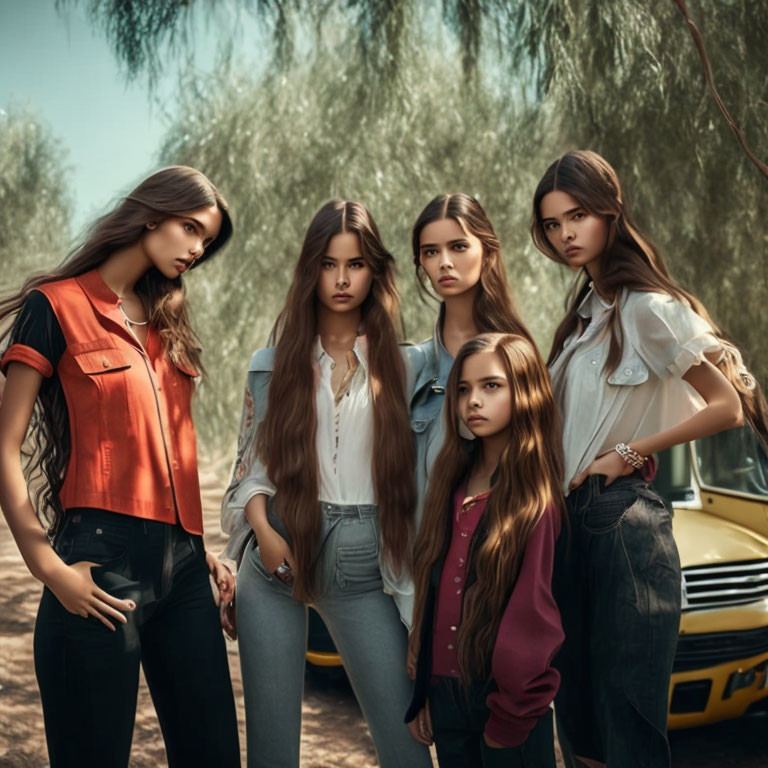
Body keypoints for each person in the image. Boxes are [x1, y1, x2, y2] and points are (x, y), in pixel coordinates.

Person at [531, 149, 766, 768]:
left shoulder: (647, 307)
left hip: (620, 523)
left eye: (577, 215)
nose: (565, 235)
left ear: (611, 212)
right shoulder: (584, 319)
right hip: (567, 526)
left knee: (627, 723)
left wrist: (627, 453)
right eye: (552, 224)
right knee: (578, 725)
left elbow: (726, 406)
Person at [0, 166, 241, 768]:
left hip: (185, 569)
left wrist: (196, 544)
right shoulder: (53, 306)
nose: (194, 249)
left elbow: (167, 450)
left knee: (213, 754)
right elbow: (3, 446)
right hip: (99, 567)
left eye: (204, 242)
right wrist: (47, 568)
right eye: (189, 228)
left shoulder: (169, 322)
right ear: (150, 214)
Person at [220, 199, 432, 768]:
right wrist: (262, 529)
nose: (341, 279)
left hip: (365, 567)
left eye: (356, 264)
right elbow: (250, 470)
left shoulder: (411, 366)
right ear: (309, 269)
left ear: (375, 272)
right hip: (277, 558)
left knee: (407, 745)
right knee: (271, 751)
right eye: (328, 264)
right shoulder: (271, 364)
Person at [406, 332, 564, 768]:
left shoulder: (536, 501)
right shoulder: (450, 484)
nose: (473, 400)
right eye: (463, 389)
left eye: (491, 386)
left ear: (525, 392)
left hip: (505, 711)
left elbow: (532, 621)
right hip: (446, 699)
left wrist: (508, 724)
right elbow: (434, 593)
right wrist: (426, 693)